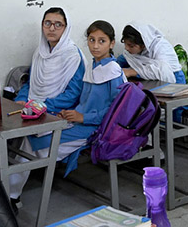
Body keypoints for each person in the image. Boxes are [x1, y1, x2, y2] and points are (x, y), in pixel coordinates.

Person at [9, 21, 127, 203]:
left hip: (97, 129)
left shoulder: (113, 71)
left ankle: (11, 195)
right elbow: (85, 101)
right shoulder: (92, 67)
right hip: (80, 122)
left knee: (39, 144)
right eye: (91, 40)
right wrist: (69, 112)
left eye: (102, 41)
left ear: (112, 44)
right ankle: (10, 192)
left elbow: (117, 111)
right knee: (33, 135)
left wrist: (83, 117)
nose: (95, 46)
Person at [15, 7, 85, 115]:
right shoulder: (39, 53)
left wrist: (42, 106)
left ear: (66, 28)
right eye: (47, 23)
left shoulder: (73, 56)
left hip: (58, 111)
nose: (51, 29)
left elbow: (73, 93)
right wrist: (22, 99)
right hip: (32, 106)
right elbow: (31, 83)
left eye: (58, 24)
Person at [117, 22, 185, 83]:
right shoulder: (129, 53)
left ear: (143, 45)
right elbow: (119, 62)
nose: (126, 48)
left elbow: (162, 72)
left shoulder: (161, 47)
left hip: (175, 81)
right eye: (125, 43)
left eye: (131, 46)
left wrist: (131, 72)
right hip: (152, 84)